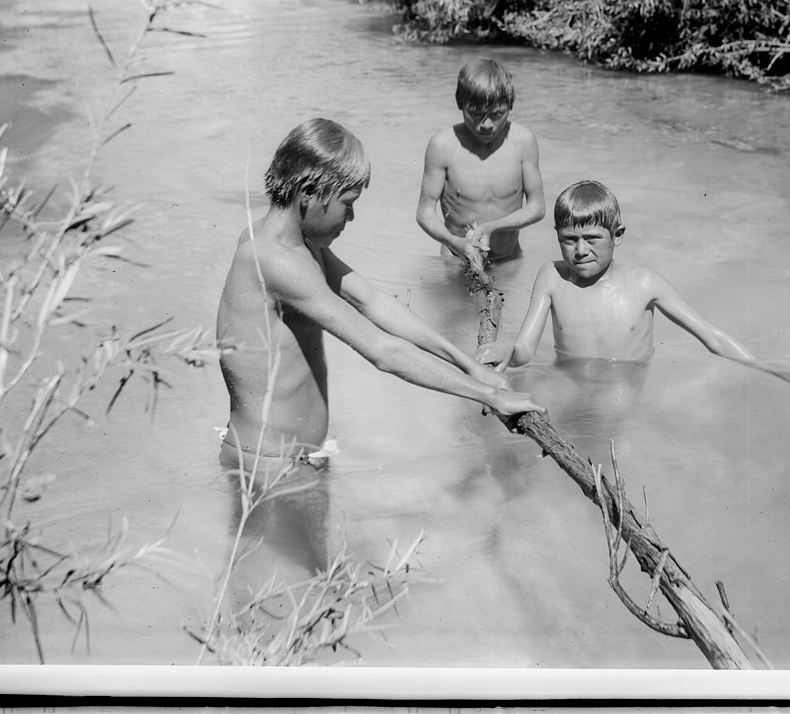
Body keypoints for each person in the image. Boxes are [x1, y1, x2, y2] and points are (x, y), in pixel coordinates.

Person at [215, 118, 546, 468]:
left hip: (291, 459)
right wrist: (490, 396)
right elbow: (383, 351)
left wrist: (470, 367)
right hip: (268, 466)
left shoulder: (301, 247)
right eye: (347, 202)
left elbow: (374, 302)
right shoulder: (274, 260)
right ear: (309, 194)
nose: (352, 217)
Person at [474, 180, 790, 395]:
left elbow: (712, 337)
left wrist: (770, 369)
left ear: (618, 236)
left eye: (592, 239)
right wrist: (505, 350)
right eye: (569, 240)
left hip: (625, 392)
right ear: (558, 237)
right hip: (570, 386)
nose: (580, 251)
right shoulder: (552, 276)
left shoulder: (644, 283)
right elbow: (525, 349)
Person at [416, 59, 545, 264]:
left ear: (510, 106)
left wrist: (491, 228)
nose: (486, 125)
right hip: (456, 259)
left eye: (497, 114)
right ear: (460, 104)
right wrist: (453, 242)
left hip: (508, 259)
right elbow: (424, 212)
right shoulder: (442, 145)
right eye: (476, 114)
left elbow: (537, 207)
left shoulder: (524, 141)